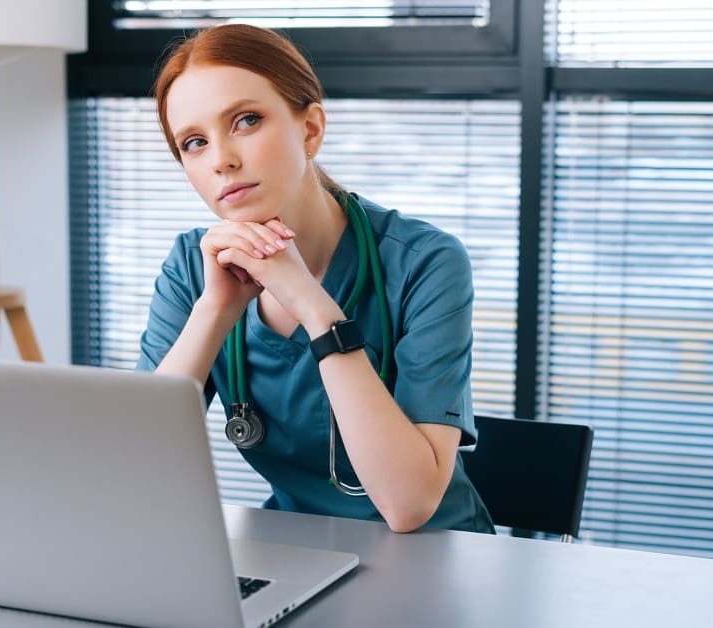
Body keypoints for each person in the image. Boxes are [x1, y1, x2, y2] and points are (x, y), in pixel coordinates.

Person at [137, 23, 494, 534]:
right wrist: (216, 310)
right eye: (193, 142)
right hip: (292, 550)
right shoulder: (193, 269)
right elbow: (135, 461)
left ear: (310, 130)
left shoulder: (424, 262)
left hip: (436, 556)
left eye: (246, 120)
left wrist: (313, 305)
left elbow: (409, 506)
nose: (222, 160)